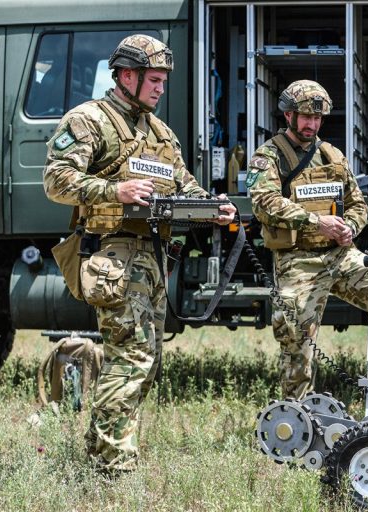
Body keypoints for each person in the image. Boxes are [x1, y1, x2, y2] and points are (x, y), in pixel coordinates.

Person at [43, 34, 235, 473]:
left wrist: (212, 206)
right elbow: (56, 181)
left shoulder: (160, 133)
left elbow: (182, 184)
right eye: (153, 79)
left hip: (151, 258)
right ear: (126, 75)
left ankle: (99, 452)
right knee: (130, 357)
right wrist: (116, 189)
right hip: (111, 254)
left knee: (147, 362)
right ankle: (114, 468)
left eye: (164, 81)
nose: (160, 88)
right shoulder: (89, 119)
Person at [248, 79, 368, 400]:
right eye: (305, 117)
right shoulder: (269, 155)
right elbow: (264, 203)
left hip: (339, 255)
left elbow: (357, 203)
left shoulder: (331, 155)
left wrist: (350, 227)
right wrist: (317, 221)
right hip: (298, 258)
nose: (311, 124)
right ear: (288, 116)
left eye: (317, 119)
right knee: (294, 325)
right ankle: (297, 407)